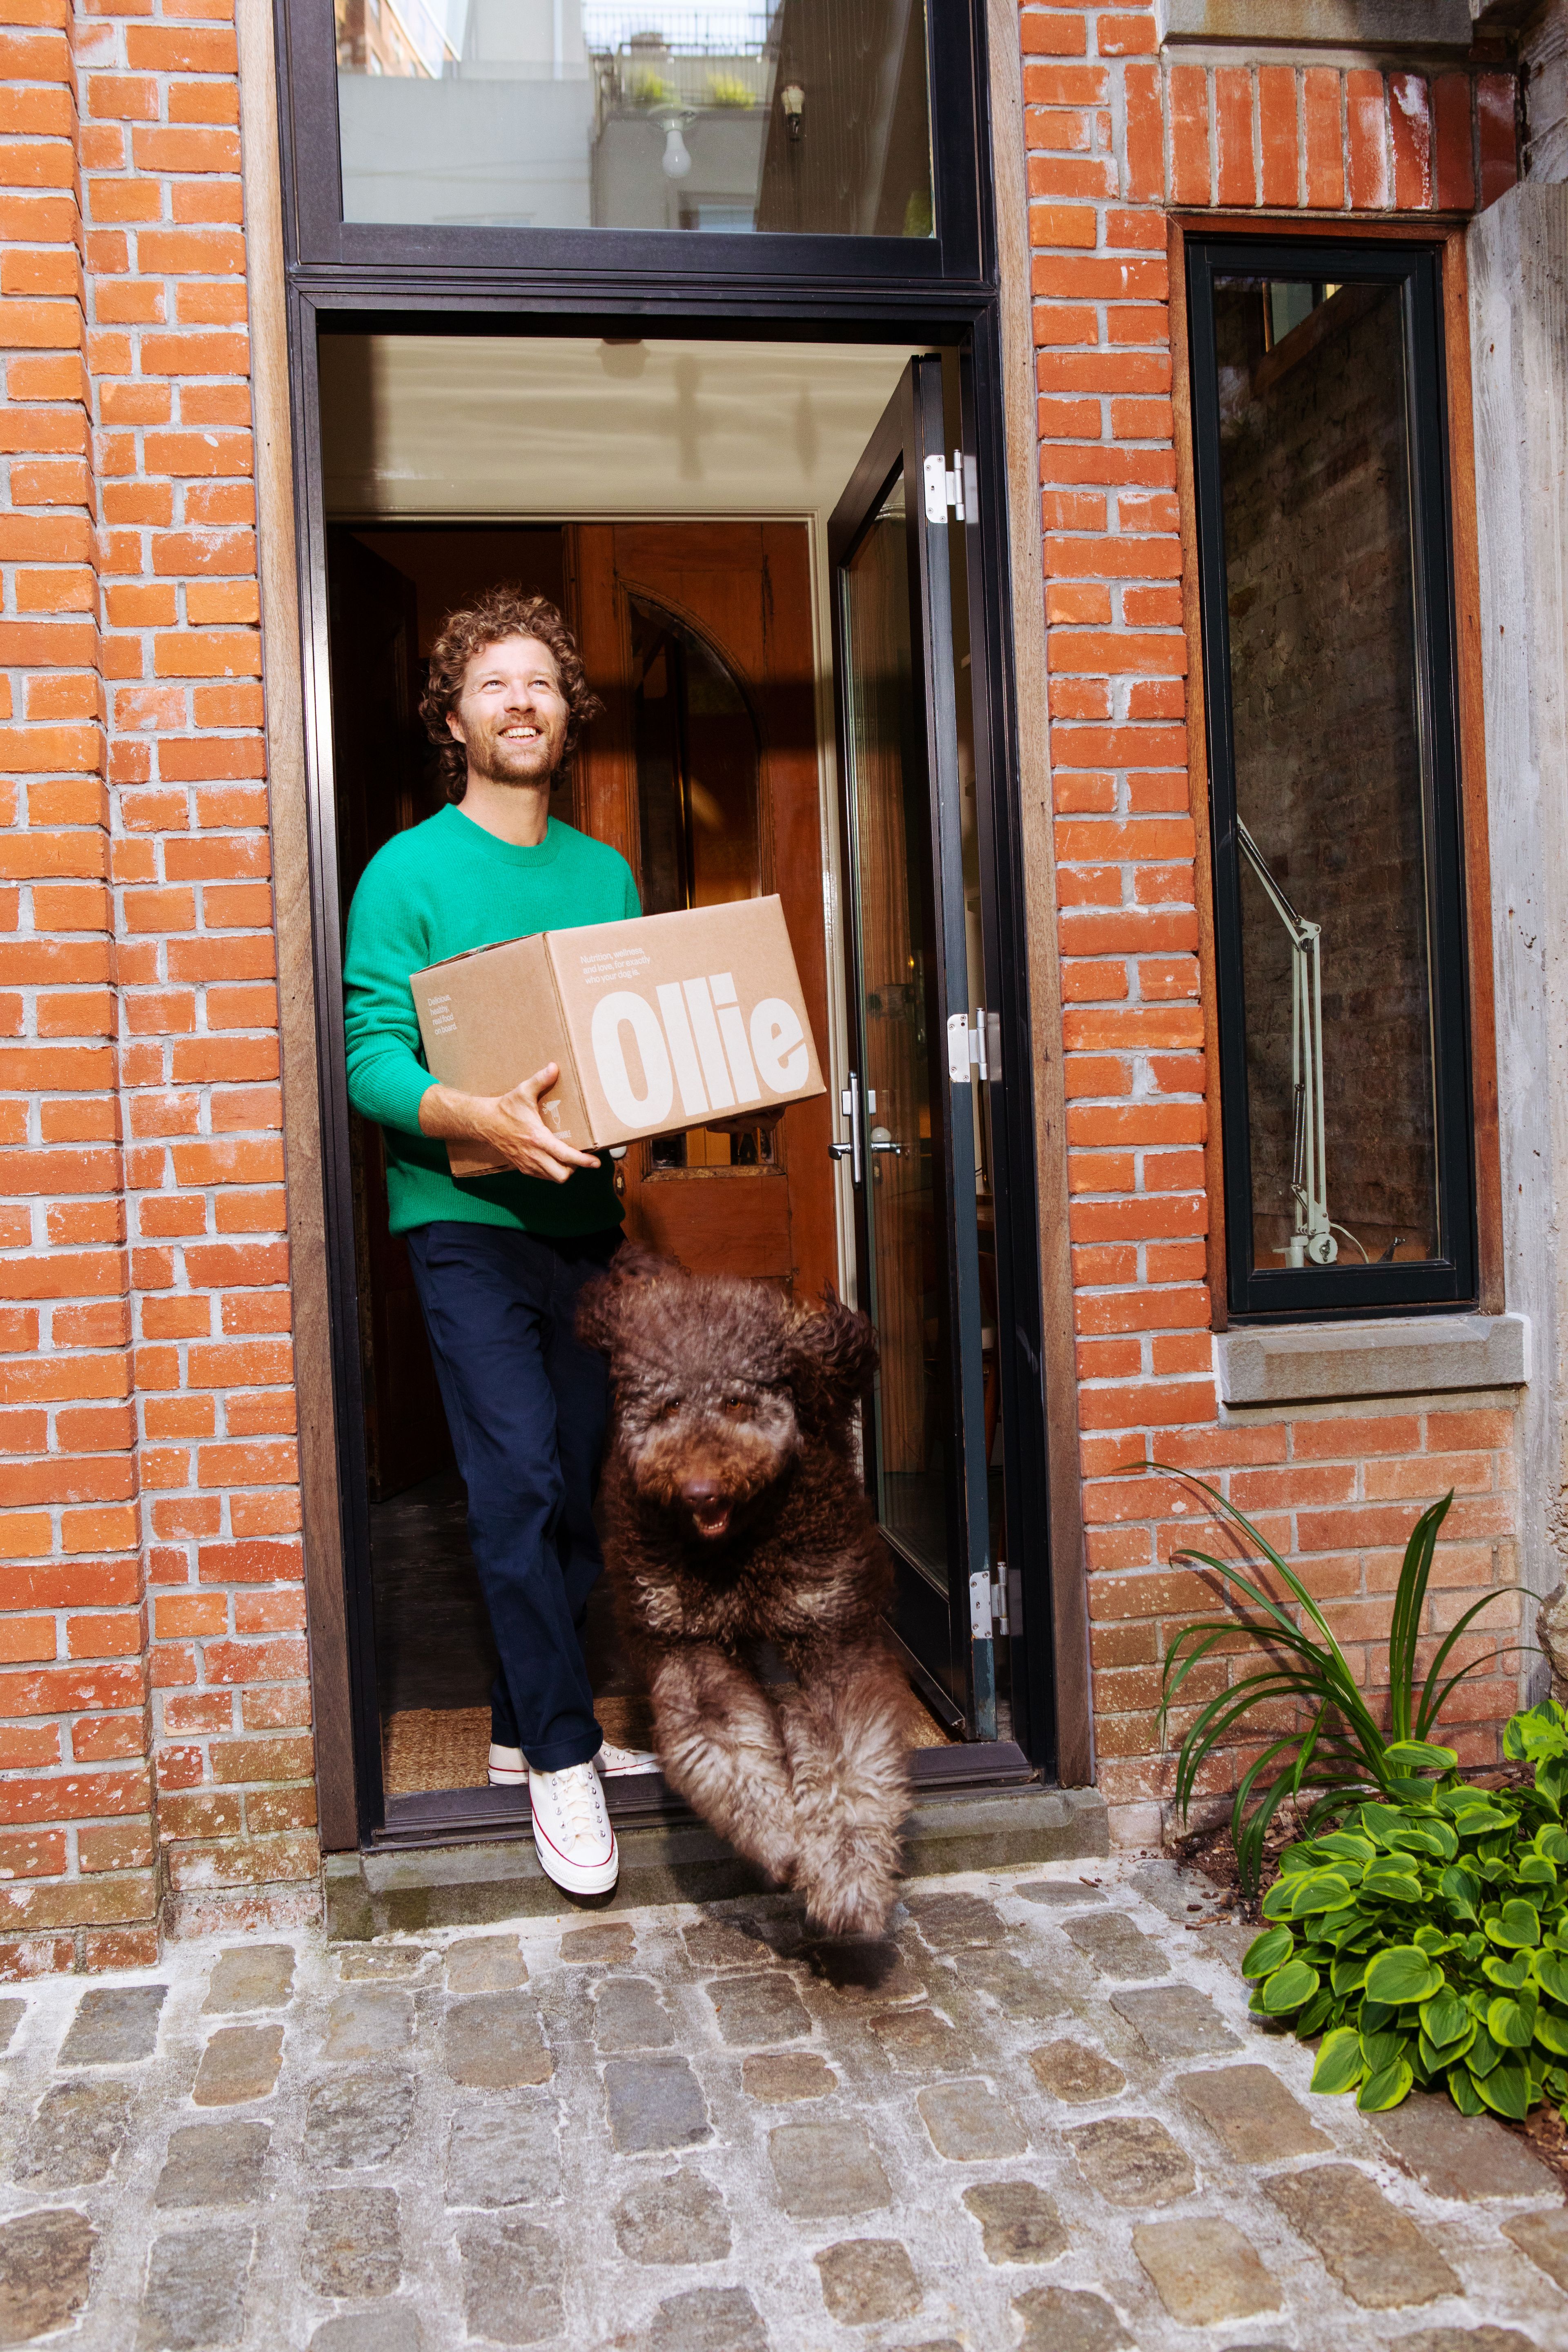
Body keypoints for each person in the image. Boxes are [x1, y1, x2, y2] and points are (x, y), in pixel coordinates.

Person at [343, 585, 656, 1901]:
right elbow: (370, 1052)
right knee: (515, 1478)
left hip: (586, 1229)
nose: (520, 701)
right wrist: (467, 1113)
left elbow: (632, 1045)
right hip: (464, 1222)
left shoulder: (606, 875)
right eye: (494, 683)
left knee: (579, 1486)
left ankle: (524, 1717)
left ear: (565, 714)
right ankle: (566, 1756)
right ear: (456, 717)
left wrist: (642, 1114)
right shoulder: (407, 872)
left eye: (541, 682)